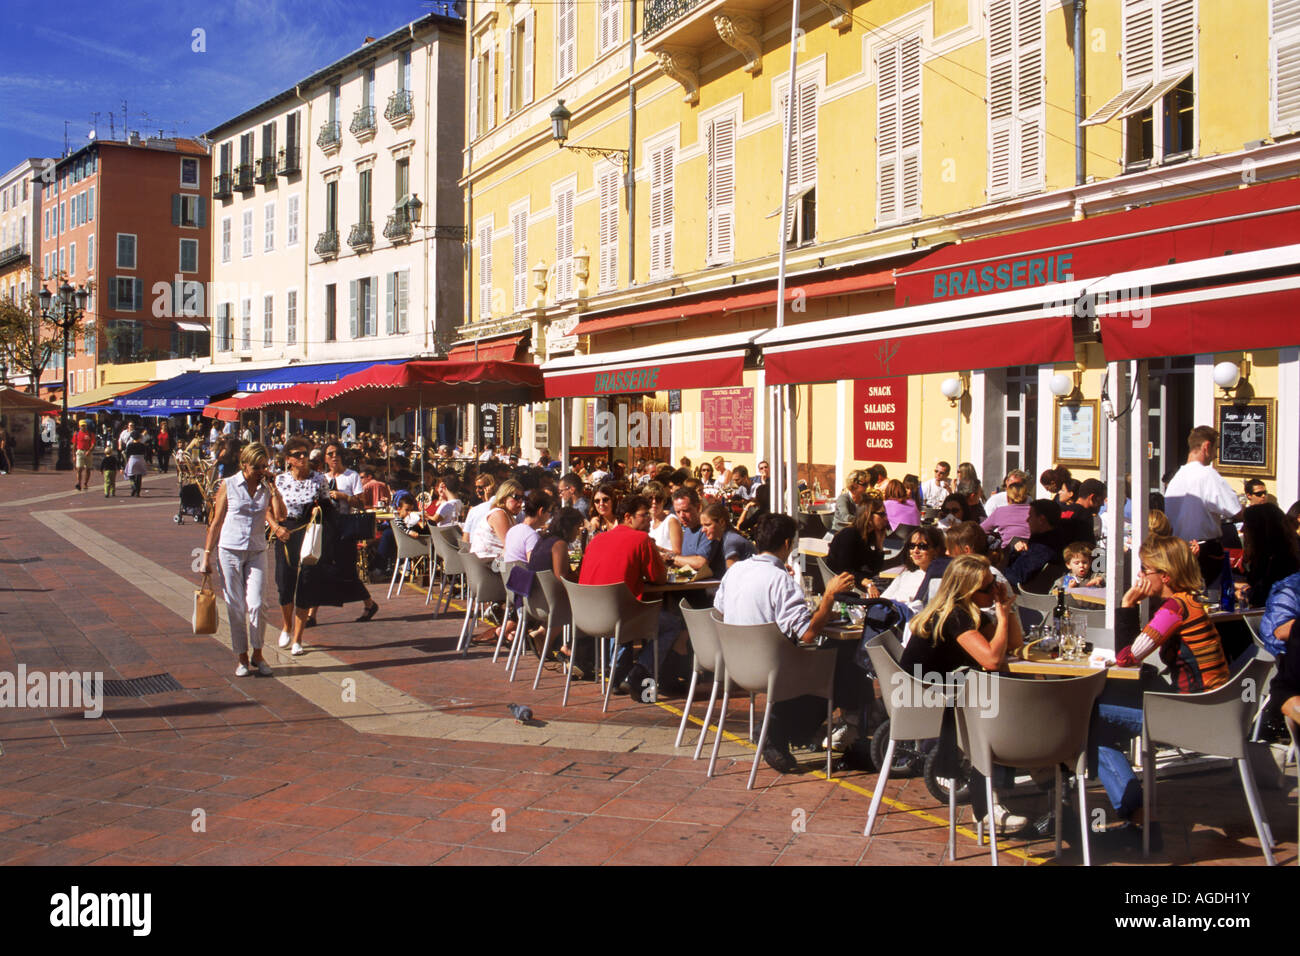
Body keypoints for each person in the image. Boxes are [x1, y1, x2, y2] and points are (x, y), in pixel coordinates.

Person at [1092, 536, 1230, 831]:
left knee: (1086, 717)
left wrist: (1127, 604)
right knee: (1102, 708)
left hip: (1190, 715)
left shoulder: (1174, 609)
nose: (1139, 576)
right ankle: (1138, 818)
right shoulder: (1192, 602)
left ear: (1164, 576)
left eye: (1144, 569)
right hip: (1211, 707)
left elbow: (1128, 657)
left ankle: (1140, 821)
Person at [714, 512, 857, 773]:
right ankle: (781, 730)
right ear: (788, 544)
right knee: (840, 664)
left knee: (821, 660)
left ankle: (787, 729)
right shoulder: (781, 581)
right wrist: (828, 597)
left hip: (736, 665)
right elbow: (807, 634)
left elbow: (721, 608)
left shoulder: (734, 573)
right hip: (774, 669)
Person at [902, 554, 1025, 831]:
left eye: (995, 583)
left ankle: (1005, 781)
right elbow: (993, 660)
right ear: (968, 591)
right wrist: (1002, 615)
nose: (994, 589)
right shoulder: (955, 616)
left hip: (941, 692)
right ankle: (988, 804)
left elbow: (1013, 644)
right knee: (993, 698)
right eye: (988, 588)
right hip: (920, 700)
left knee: (992, 691)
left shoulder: (969, 613)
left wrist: (1005, 607)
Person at [577, 493, 675, 699]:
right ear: (628, 517)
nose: (649, 520)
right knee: (672, 624)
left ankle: (618, 673)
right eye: (643, 516)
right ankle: (640, 671)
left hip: (589, 618)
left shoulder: (597, 539)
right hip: (621, 619)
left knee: (629, 609)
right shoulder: (641, 540)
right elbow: (659, 578)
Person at [201, 443, 280, 677]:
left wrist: (274, 489)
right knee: (235, 606)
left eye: (264, 466)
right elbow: (216, 522)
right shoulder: (229, 485)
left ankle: (258, 652)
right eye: (257, 466)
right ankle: (242, 656)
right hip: (230, 548)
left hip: (256, 548)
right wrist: (206, 555)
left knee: (257, 603)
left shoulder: (266, 487)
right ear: (244, 464)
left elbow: (280, 514)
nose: (261, 471)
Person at [1163, 426, 1241, 590]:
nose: (1215, 455)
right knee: (1212, 601)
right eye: (1216, 449)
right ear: (1206, 446)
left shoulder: (1177, 478)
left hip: (1179, 550)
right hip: (1206, 551)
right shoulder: (1207, 475)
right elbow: (1236, 511)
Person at [271, 436, 329, 654]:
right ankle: (286, 625)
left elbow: (327, 505)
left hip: (310, 532)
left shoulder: (319, 479)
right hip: (286, 532)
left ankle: (298, 637)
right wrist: (276, 527)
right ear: (288, 459)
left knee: (306, 581)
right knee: (284, 582)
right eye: (298, 454)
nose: (303, 457)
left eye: (305, 453)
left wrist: (319, 510)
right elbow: (269, 508)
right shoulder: (280, 480)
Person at [317, 440, 379, 623]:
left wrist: (344, 497)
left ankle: (369, 603)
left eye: (337, 453)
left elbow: (362, 502)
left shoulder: (351, 476)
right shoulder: (322, 478)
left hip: (345, 527)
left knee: (347, 569)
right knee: (321, 568)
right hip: (326, 526)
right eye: (330, 454)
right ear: (325, 458)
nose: (334, 457)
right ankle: (312, 613)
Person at [1235, 502, 1300, 610]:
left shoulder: (1280, 560)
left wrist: (1245, 592)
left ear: (1258, 530)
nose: (1242, 530)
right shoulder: (1274, 556)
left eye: (1245, 525)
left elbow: (1262, 596)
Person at [1002, 499, 1070, 590]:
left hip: (1021, 594)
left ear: (1041, 520)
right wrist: (1016, 552)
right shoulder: (1054, 540)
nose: (1027, 520)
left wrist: (998, 569)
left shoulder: (1044, 548)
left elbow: (1017, 577)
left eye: (1030, 516)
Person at [876, 526, 944, 613]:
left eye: (922, 546)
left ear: (936, 550)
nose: (915, 550)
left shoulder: (939, 580)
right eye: (912, 546)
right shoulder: (905, 576)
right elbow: (883, 600)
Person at [827, 498, 888, 588]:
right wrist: (866, 582)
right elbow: (843, 569)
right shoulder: (849, 535)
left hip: (858, 581)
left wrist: (879, 545)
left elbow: (873, 570)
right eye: (881, 514)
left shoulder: (868, 535)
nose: (886, 518)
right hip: (843, 585)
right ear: (868, 515)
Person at [980, 471, 1032, 545]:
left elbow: (981, 530)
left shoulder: (1000, 512)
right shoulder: (1034, 511)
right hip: (1032, 549)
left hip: (1008, 552)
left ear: (1007, 498)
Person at [699, 501, 754, 571]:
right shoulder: (724, 539)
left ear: (721, 522)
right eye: (702, 525)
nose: (703, 530)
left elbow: (733, 576)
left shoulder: (730, 541)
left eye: (707, 525)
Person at [1058, 477, 1106, 546]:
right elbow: (1086, 548)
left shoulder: (1061, 511)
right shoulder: (1085, 516)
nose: (1102, 504)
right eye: (1101, 499)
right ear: (1093, 497)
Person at [645, 481, 683, 556]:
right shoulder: (648, 521)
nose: (654, 502)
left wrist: (657, 548)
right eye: (650, 499)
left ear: (663, 501)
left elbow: (678, 553)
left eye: (658, 499)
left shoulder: (671, 521)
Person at [463, 473, 498, 545]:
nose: (477, 490)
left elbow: (465, 539)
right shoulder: (475, 506)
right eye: (476, 487)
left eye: (480, 487)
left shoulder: (476, 510)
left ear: (489, 487)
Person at [123, 430, 148, 497]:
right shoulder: (142, 445)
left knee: (131, 475)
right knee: (139, 476)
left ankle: (133, 485)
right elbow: (145, 453)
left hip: (132, 459)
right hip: (141, 460)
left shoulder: (130, 445)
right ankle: (138, 492)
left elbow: (127, 454)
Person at [72, 420, 95, 491]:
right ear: (79, 426)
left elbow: (93, 444)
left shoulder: (90, 434)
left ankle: (85, 483)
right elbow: (74, 445)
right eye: (82, 426)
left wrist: (89, 451)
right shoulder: (76, 434)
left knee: (88, 469)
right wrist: (74, 455)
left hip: (88, 452)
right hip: (80, 451)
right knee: (79, 468)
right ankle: (79, 483)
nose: (84, 427)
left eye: (84, 425)